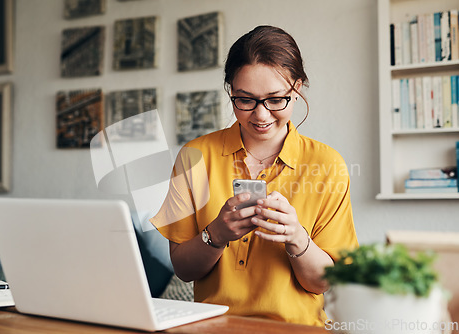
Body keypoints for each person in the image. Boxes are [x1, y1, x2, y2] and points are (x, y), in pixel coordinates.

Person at [150, 25, 358, 327]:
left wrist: (297, 239)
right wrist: (216, 234)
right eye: (245, 100)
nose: (260, 116)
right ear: (230, 91)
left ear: (297, 88)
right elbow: (184, 269)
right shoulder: (194, 156)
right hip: (213, 328)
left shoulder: (327, 164)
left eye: (276, 99)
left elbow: (325, 283)